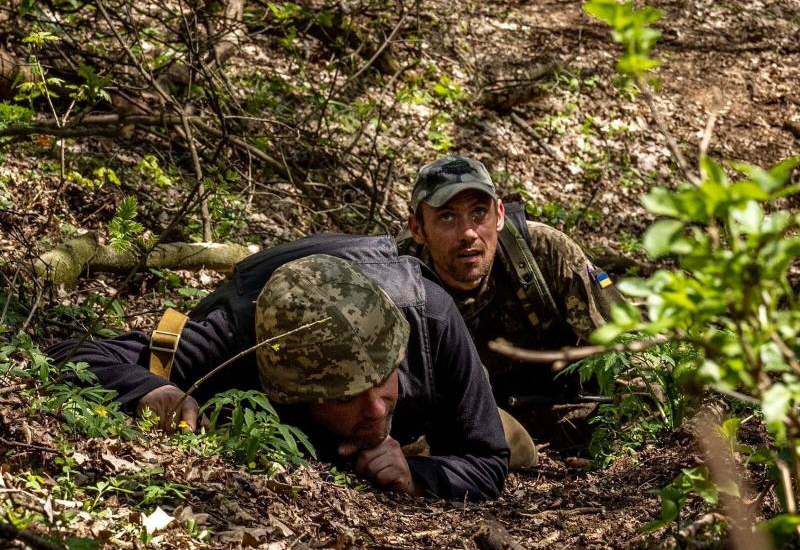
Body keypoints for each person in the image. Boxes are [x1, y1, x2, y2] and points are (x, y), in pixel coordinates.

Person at [47, 235, 509, 501]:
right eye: (344, 394)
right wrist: (151, 389)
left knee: (518, 442)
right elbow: (73, 353)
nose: (373, 408)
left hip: (425, 416)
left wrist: (416, 474)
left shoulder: (429, 316)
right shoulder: (237, 337)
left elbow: (488, 459)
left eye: (381, 381)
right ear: (288, 387)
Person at [398, 156, 624, 444]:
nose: (468, 233)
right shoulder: (399, 275)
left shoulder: (546, 253)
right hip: (450, 430)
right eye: (447, 217)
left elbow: (629, 349)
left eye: (479, 213)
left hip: (563, 417)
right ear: (417, 228)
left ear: (500, 214)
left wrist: (622, 443)